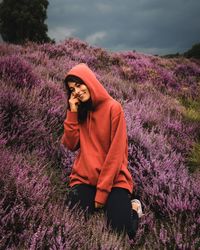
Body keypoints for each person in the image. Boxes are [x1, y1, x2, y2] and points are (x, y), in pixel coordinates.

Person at [61, 63, 143, 240]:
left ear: (89, 81)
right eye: (72, 89)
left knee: (121, 232)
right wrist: (72, 112)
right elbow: (70, 144)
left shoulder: (114, 108)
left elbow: (115, 155)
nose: (77, 91)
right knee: (70, 218)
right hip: (85, 178)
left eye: (79, 84)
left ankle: (135, 208)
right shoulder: (81, 110)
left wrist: (102, 193)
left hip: (114, 180)